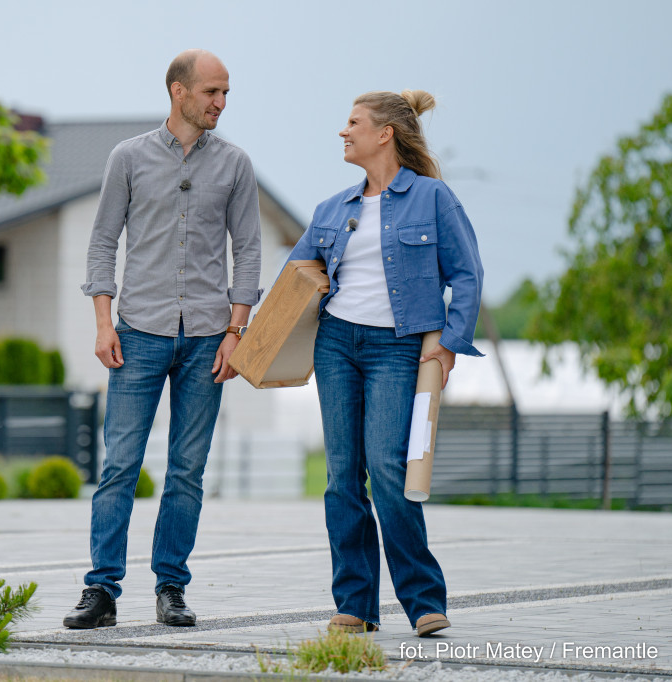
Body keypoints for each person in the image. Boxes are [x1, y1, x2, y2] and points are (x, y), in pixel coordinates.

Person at [64, 49, 261, 629]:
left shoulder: (236, 165)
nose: (221, 103)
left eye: (226, 94)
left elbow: (248, 251)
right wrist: (103, 322)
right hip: (138, 333)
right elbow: (103, 242)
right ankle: (101, 591)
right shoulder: (127, 158)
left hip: (207, 338)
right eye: (212, 93)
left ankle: (171, 587)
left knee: (186, 471)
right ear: (179, 91)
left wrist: (236, 331)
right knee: (120, 464)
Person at [285, 90, 483, 637]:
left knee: (390, 472)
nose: (342, 132)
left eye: (352, 123)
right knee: (341, 476)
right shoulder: (332, 209)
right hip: (336, 345)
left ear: (384, 134)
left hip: (398, 347)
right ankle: (355, 604)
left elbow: (467, 274)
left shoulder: (433, 198)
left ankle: (423, 600)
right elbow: (296, 274)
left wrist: (447, 342)